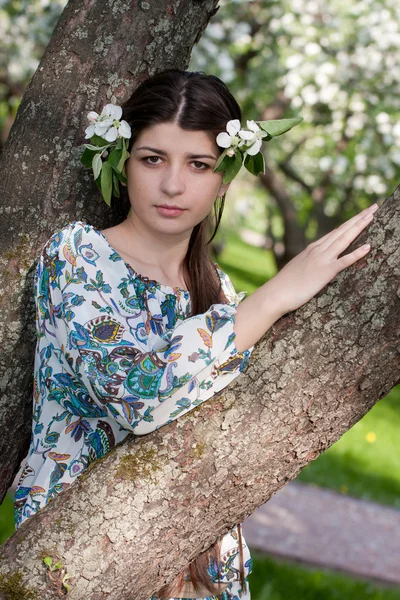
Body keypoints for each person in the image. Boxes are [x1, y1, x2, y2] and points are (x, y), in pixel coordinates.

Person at [14, 69, 378, 600]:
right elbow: (138, 399)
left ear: (224, 178)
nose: (173, 185)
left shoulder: (220, 292)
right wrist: (274, 297)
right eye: (153, 158)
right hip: (80, 560)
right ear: (122, 161)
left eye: (199, 164)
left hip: (191, 565)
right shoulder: (79, 256)